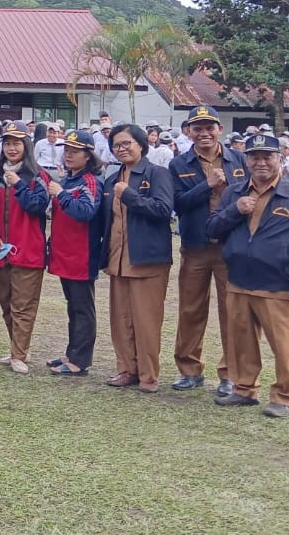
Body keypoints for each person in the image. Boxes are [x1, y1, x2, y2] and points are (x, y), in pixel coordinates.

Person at [209, 133, 289, 418]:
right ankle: (244, 389)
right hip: (239, 280)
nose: (260, 163)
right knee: (241, 340)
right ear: (246, 160)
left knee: (283, 345)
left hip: (276, 284)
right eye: (254, 157)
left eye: (267, 156)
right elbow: (212, 228)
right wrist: (235, 210)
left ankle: (285, 395)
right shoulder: (234, 192)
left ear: (280, 158)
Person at [169, 104, 247, 396]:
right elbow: (177, 203)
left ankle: (231, 373)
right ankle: (189, 370)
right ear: (188, 131)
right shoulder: (178, 164)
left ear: (219, 129)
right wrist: (207, 185)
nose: (204, 133)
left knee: (233, 311)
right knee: (191, 309)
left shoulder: (238, 159)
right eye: (197, 127)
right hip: (195, 247)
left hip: (231, 246)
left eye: (209, 126)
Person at [99, 123, 175, 393]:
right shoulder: (111, 179)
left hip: (147, 260)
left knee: (146, 321)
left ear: (141, 145)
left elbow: (164, 209)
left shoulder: (157, 174)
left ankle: (148, 376)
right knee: (121, 320)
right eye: (116, 145)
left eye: (127, 143)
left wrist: (129, 195)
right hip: (118, 259)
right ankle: (126, 369)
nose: (122, 149)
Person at [0, 121, 50, 375]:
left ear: (27, 145)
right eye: (8, 143)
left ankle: (19, 354)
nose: (12, 148)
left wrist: (19, 184)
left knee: (23, 306)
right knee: (6, 303)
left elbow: (37, 207)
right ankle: (18, 346)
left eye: (17, 143)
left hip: (28, 250)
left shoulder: (38, 176)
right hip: (1, 252)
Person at [46, 129, 104, 376]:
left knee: (83, 308)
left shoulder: (90, 181)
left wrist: (60, 194)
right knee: (72, 306)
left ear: (88, 156)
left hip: (82, 255)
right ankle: (72, 352)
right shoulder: (69, 179)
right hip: (64, 253)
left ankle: (80, 360)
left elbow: (85, 212)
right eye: (66, 150)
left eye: (75, 151)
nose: (68, 155)